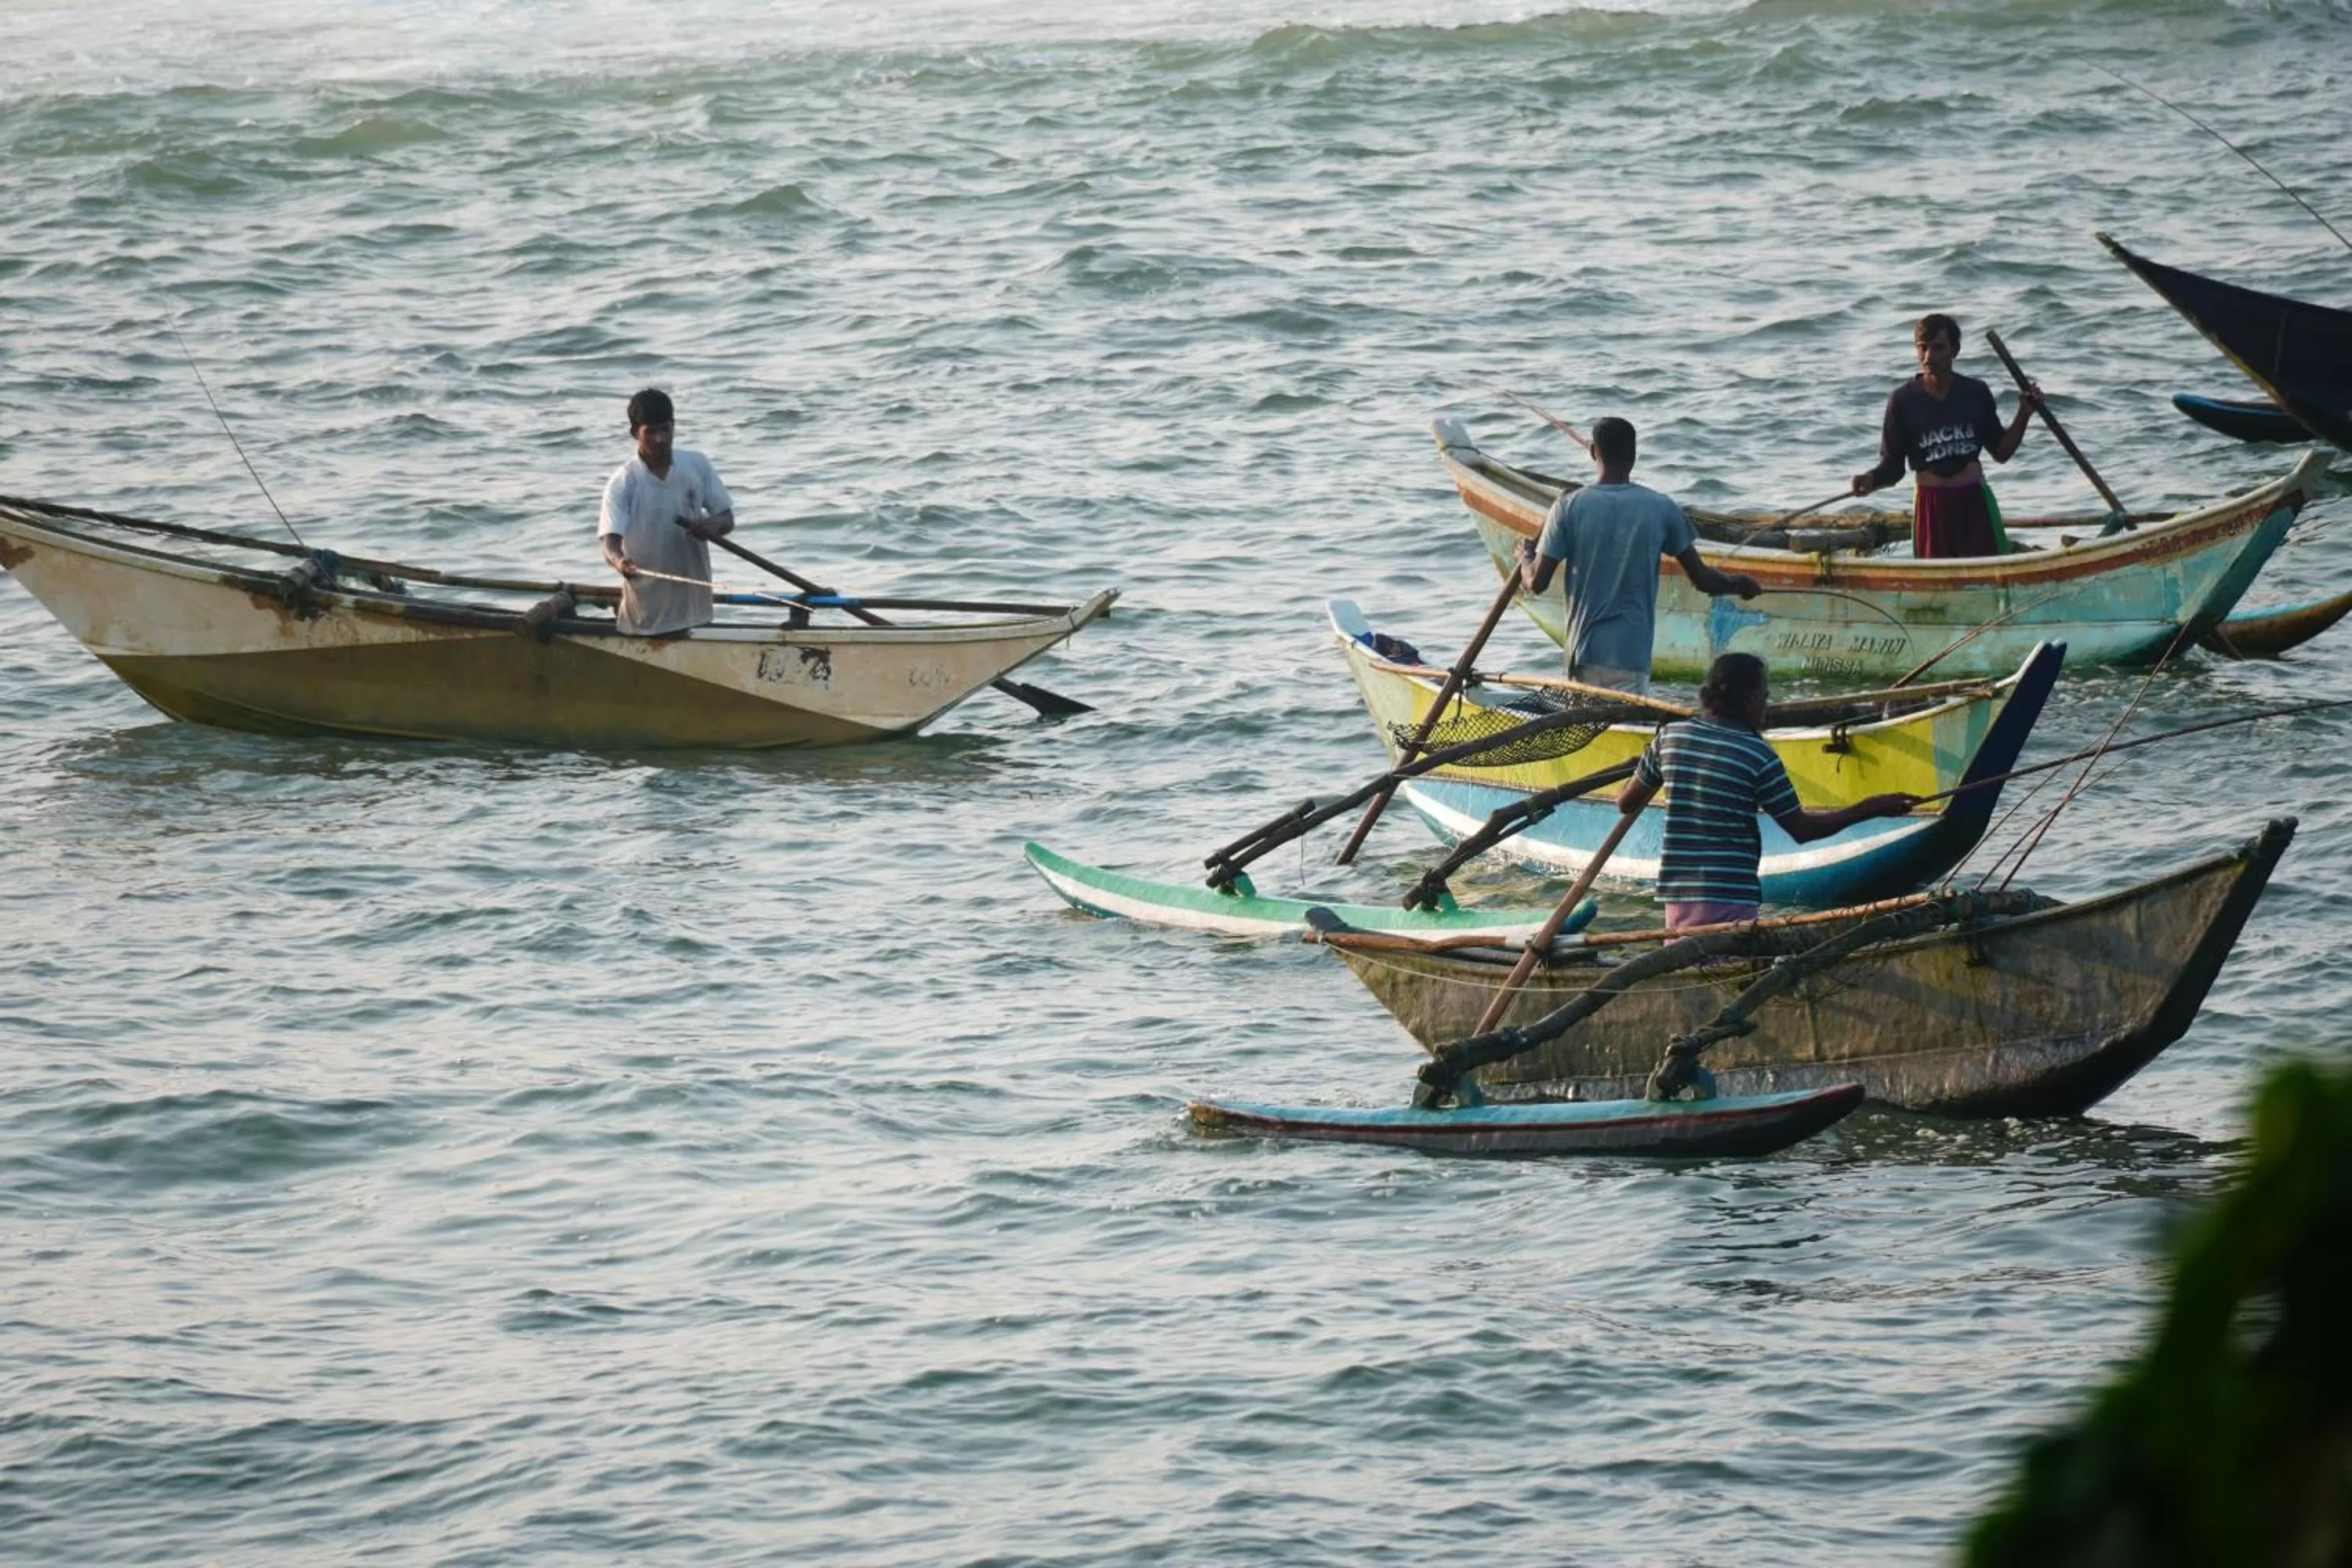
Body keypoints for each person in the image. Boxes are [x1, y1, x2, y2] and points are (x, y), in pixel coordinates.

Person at [1616, 652, 1916, 930]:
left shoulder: (1669, 738)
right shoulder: (1759, 755)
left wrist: (1638, 769)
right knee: (1726, 973)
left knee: (1685, 966)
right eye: (1765, 695)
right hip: (1730, 897)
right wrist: (1868, 808)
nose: (1767, 705)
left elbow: (1626, 803)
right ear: (1748, 698)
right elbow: (1802, 830)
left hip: (1678, 896)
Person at [1516, 416, 1762, 695]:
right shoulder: (1661, 508)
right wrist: (1737, 583)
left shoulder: (1568, 507)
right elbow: (1703, 580)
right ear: (1634, 455)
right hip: (1631, 657)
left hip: (1584, 654)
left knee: (1587, 733)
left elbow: (1536, 582)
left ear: (1594, 452)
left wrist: (1525, 558)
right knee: (1629, 723)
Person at [1849, 313, 2042, 559]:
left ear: (1955, 350)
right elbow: (1893, 468)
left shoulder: (1975, 393)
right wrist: (1870, 479)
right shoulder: (1903, 401)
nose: (1929, 357)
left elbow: (2002, 452)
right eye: (1923, 348)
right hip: (1932, 509)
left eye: (1938, 348)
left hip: (1975, 505)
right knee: (1937, 588)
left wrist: (2024, 414)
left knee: (1987, 580)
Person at [598, 388, 736, 636]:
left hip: (697, 610)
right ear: (635, 434)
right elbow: (609, 544)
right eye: (650, 432)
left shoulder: (696, 464)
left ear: (674, 426)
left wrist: (712, 526)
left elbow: (727, 518)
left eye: (665, 429)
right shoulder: (624, 481)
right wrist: (621, 562)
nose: (661, 439)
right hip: (646, 617)